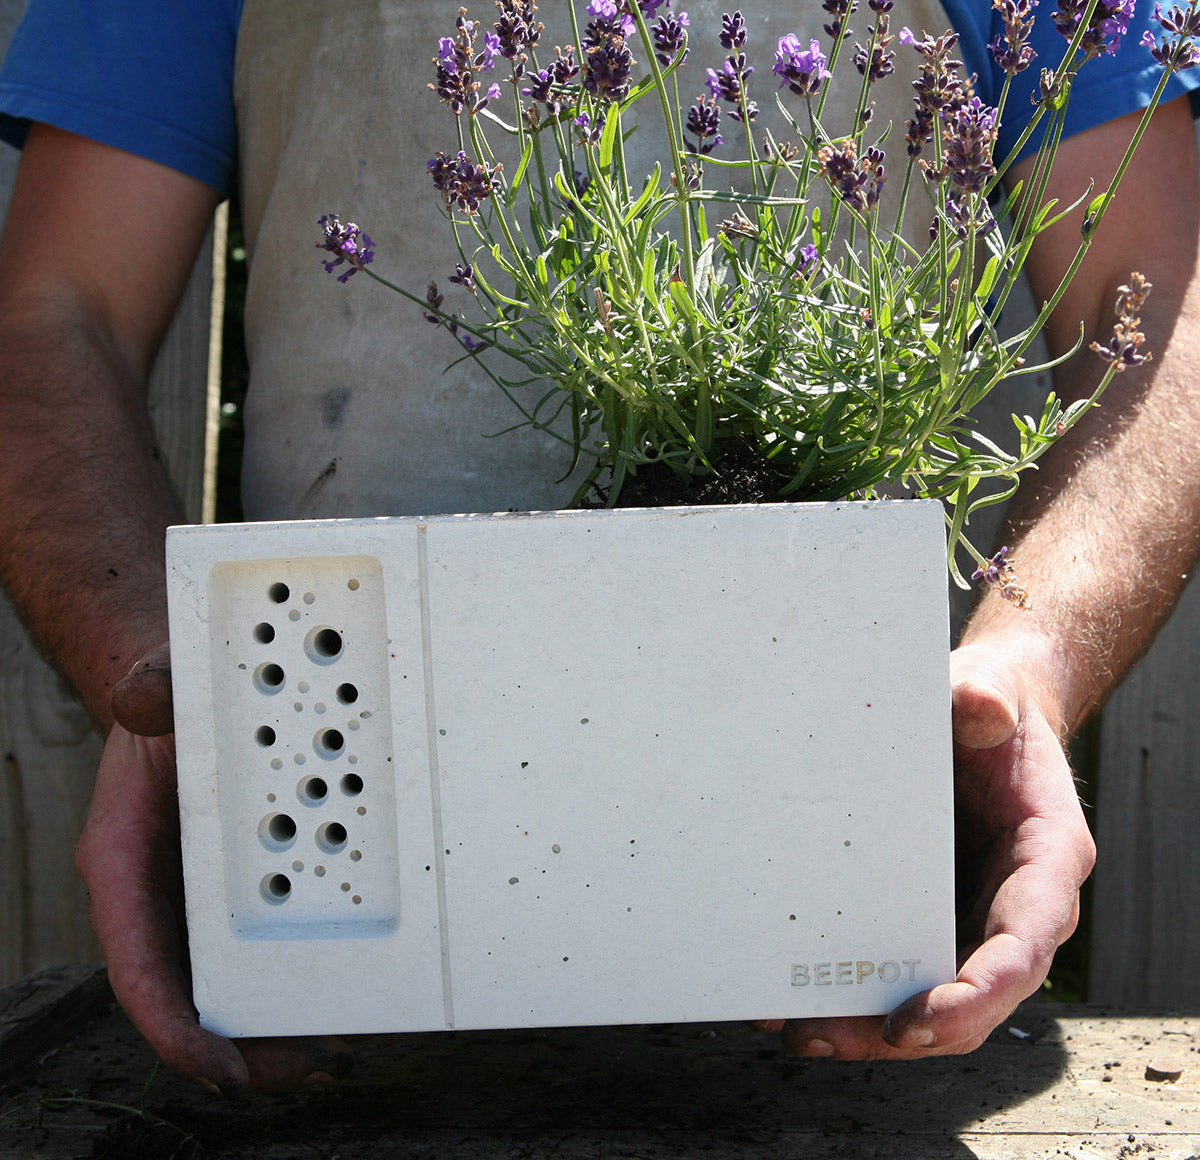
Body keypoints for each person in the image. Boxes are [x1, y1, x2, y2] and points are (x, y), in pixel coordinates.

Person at [0, 0, 1197, 1091]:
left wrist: (1025, 668)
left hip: (830, 925)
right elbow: (57, 312)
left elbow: (1153, 304)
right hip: (347, 877)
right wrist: (169, 680)